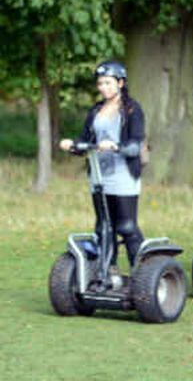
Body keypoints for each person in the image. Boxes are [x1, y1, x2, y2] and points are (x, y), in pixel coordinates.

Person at [58, 60, 147, 268]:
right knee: (103, 227)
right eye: (100, 84)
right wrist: (72, 145)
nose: (103, 88)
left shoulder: (132, 109)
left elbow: (136, 144)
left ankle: (142, 273)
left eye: (108, 83)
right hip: (99, 176)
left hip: (123, 176)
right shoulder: (96, 110)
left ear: (121, 83)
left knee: (126, 227)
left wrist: (115, 146)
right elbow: (86, 142)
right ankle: (108, 273)